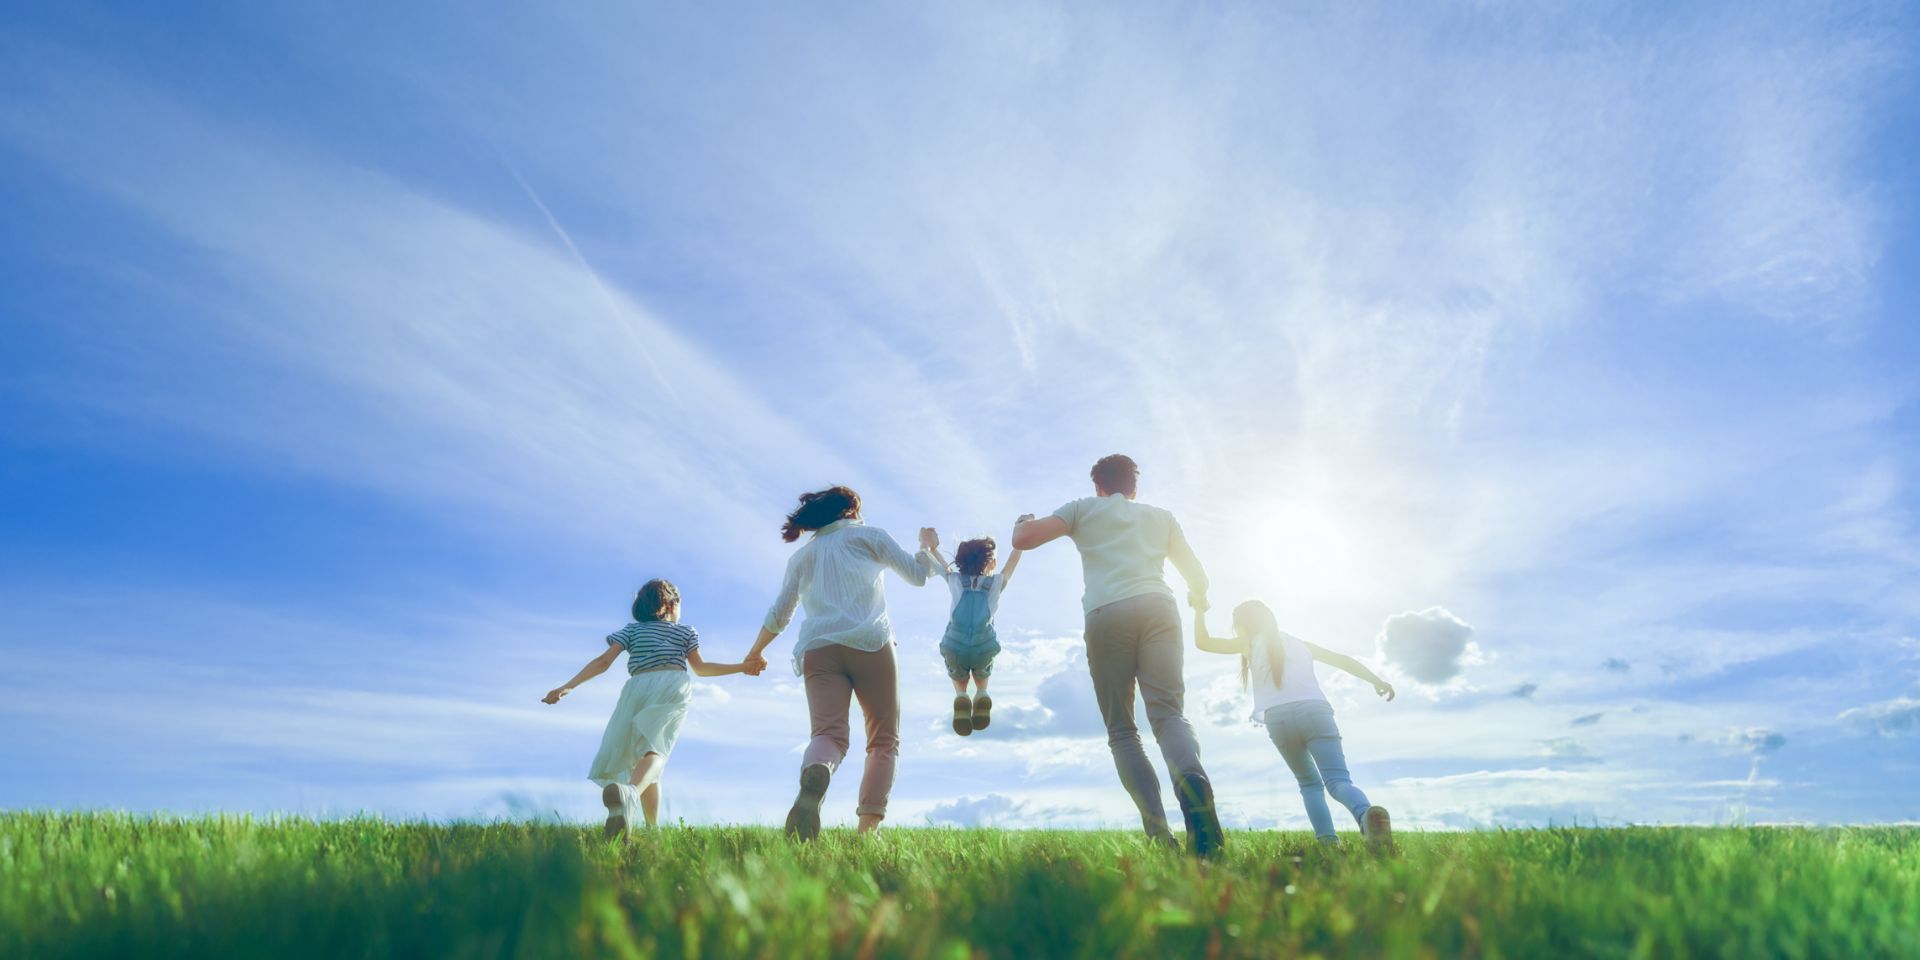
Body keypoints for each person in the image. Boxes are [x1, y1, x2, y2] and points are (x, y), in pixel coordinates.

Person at [1011, 454, 1224, 856]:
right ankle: (1193, 781)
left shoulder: (1082, 509)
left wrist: (1022, 522)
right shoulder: (1162, 517)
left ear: (1098, 487)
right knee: (1169, 715)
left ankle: (1160, 837)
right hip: (1159, 608)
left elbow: (1024, 539)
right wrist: (1198, 597)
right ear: (1134, 488)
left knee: (1123, 732)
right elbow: (1198, 577)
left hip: (1106, 614)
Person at [744, 485, 937, 840]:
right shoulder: (870, 536)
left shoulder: (802, 557)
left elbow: (780, 614)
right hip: (871, 643)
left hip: (819, 649)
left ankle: (817, 768)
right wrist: (926, 547)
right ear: (852, 511)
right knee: (883, 741)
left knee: (827, 735)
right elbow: (918, 575)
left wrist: (756, 651)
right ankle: (867, 833)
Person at [542, 578, 764, 838]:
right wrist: (741, 667)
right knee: (656, 752)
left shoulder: (631, 630)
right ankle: (630, 795)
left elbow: (602, 662)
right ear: (671, 604)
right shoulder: (685, 631)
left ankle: (652, 831)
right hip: (671, 685)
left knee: (644, 759)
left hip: (636, 689)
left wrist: (567, 687)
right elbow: (701, 669)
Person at [1193, 600, 1396, 854]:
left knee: (1309, 784)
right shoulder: (1300, 643)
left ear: (1242, 625)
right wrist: (1376, 680)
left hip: (1278, 720)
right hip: (1315, 713)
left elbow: (1203, 642)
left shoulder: (1247, 644)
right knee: (1337, 781)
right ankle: (1366, 817)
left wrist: (1199, 610)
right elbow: (1342, 660)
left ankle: (1328, 845)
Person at [923, 524, 1029, 736]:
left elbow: (940, 565)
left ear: (961, 562)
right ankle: (982, 693)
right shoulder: (995, 583)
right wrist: (1019, 545)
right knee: (982, 672)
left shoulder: (955, 580)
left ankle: (962, 695)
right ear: (991, 563)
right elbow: (1011, 564)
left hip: (955, 644)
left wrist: (933, 548)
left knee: (959, 676)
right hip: (983, 644)